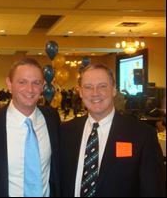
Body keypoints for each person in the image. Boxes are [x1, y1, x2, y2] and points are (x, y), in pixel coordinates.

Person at [59, 63, 166, 197]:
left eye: (102, 86)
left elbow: (154, 191)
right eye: (88, 87)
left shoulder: (142, 135)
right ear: (80, 92)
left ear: (114, 89)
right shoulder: (64, 132)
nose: (95, 93)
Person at [0, 58, 61, 197]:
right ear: (9, 83)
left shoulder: (52, 118)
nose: (30, 89)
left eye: (36, 83)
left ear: (43, 85)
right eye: (22, 82)